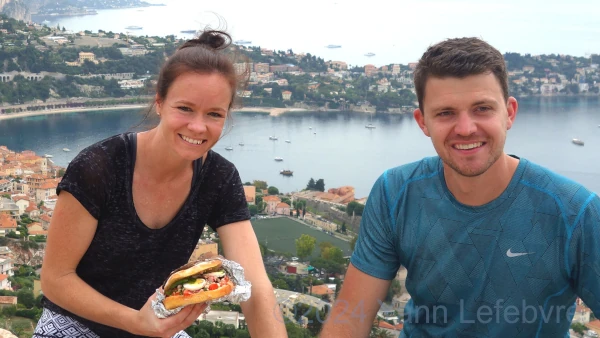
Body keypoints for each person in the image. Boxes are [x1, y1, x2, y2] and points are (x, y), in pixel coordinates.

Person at [320, 38, 600, 337]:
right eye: (445, 113)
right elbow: (349, 320)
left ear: (510, 113)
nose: (466, 128)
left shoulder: (574, 213)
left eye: (482, 108)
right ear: (422, 122)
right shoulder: (396, 192)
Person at [34, 30, 287, 338]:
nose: (198, 126)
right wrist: (135, 322)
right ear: (160, 102)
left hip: (153, 326)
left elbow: (257, 286)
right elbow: (56, 279)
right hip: (76, 324)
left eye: (214, 114)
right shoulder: (99, 167)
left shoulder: (219, 178)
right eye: (185, 108)